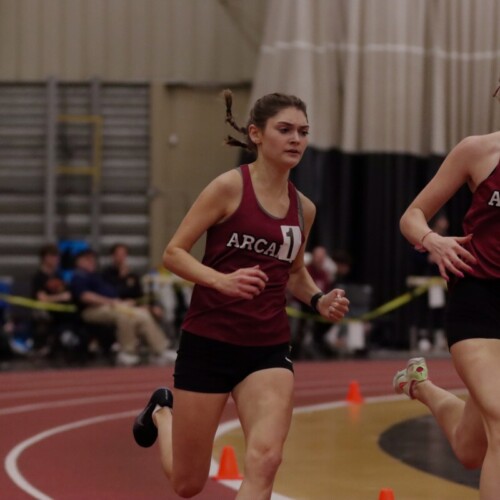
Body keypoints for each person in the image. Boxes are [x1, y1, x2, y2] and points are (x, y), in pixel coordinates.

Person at [133, 90, 350, 499]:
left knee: (266, 460)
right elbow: (173, 254)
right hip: (209, 344)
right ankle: (163, 414)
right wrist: (220, 280)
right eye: (284, 130)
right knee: (187, 483)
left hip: (267, 349)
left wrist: (320, 299)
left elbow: (295, 272)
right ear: (256, 134)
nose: (296, 140)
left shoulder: (304, 208)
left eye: (303, 132)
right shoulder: (228, 188)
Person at [393, 83, 500, 500]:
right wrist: (433, 241)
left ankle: (419, 386)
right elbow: (411, 216)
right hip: (479, 300)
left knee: (470, 447)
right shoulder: (478, 152)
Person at [70, 248, 176, 367]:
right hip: (92, 310)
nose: (91, 262)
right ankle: (127, 351)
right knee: (125, 315)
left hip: (113, 305)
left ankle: (160, 350)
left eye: (92, 259)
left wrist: (124, 302)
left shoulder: (96, 275)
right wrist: (112, 302)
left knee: (142, 315)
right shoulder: (79, 276)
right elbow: (85, 296)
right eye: (87, 259)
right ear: (78, 261)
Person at [31, 243, 79, 356]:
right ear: (46, 258)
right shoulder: (38, 277)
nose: (57, 260)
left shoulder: (59, 276)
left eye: (57, 257)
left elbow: (68, 293)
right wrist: (60, 297)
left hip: (63, 312)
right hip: (48, 311)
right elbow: (41, 298)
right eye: (54, 257)